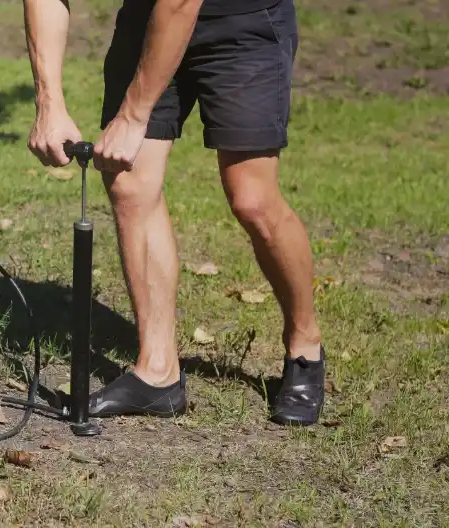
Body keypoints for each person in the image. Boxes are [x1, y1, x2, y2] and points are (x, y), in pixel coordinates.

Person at [22, 0, 325, 426]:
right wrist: (48, 100)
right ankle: (159, 372)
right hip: (147, 19)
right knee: (130, 185)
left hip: (241, 21)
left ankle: (305, 343)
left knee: (252, 198)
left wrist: (132, 114)